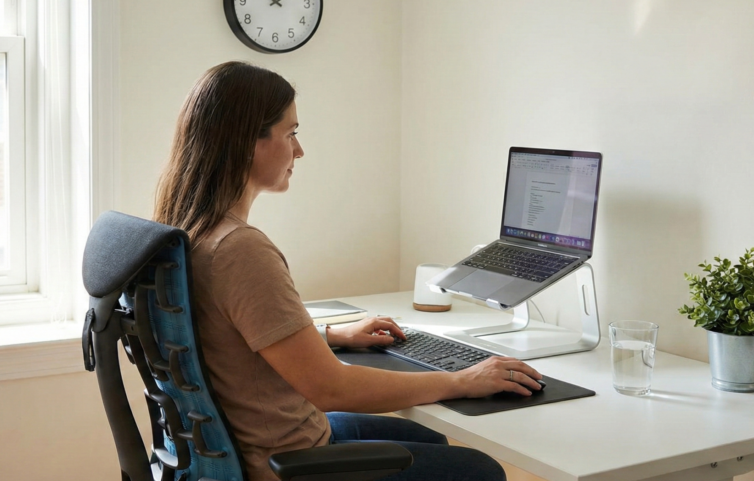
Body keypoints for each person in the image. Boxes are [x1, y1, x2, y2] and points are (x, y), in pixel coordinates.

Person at [153, 61, 543, 481]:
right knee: (478, 471)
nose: (299, 150)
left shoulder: (189, 233)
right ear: (248, 142)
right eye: (291, 133)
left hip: (243, 446)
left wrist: (330, 337)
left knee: (431, 439)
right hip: (280, 463)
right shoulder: (240, 249)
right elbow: (330, 389)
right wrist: (461, 380)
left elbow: (222, 340)